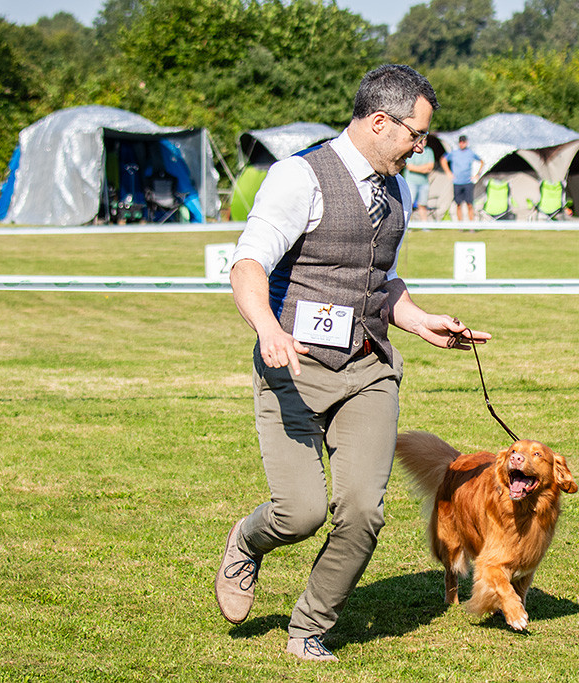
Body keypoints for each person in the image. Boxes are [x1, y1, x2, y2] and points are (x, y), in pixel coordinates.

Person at [215, 64, 491, 663]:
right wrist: (267, 329)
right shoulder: (298, 177)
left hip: (367, 368)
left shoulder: (398, 190)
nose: (421, 148)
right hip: (293, 367)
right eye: (417, 134)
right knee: (301, 513)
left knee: (363, 510)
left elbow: (380, 280)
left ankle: (309, 626)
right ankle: (248, 541)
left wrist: (420, 321)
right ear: (380, 121)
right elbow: (247, 264)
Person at [440, 134, 484, 222]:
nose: (462, 144)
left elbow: (481, 162)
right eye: (460, 142)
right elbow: (443, 160)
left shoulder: (470, 153)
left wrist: (477, 174)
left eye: (463, 142)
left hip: (468, 182)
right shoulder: (454, 153)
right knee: (458, 204)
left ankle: (471, 224)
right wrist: (448, 172)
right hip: (457, 182)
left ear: (466, 143)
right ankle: (460, 225)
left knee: (469, 204)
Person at [403, 144, 435, 222]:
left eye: (425, 139)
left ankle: (424, 225)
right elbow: (410, 167)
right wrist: (424, 169)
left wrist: (416, 168)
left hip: (424, 183)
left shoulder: (429, 151)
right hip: (411, 182)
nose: (423, 141)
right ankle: (407, 224)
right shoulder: (412, 149)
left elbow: (430, 167)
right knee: (409, 205)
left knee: (423, 205)